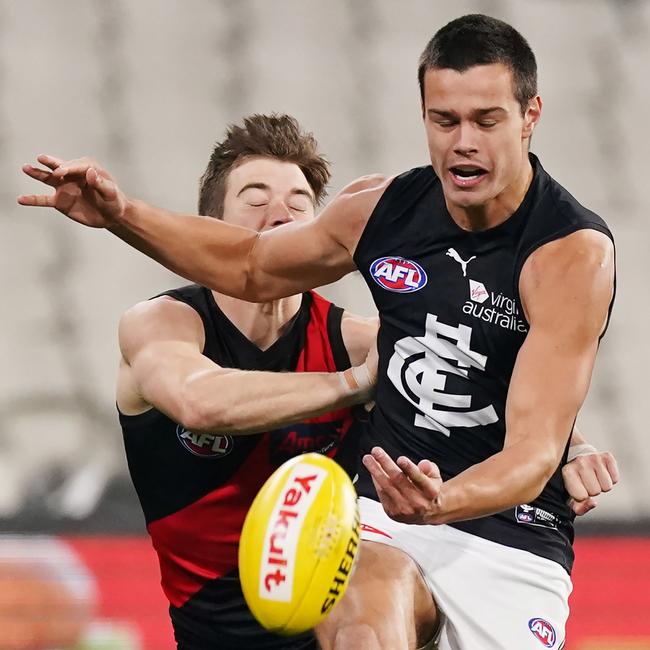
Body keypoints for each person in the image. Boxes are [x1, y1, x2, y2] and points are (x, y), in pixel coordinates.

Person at [19, 14, 621, 648]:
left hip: (510, 532)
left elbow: (525, 438)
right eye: (444, 121)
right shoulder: (377, 217)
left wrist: (567, 444)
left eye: (486, 120)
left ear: (531, 115)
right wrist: (123, 214)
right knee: (361, 609)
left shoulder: (570, 253)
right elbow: (248, 271)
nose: (462, 141)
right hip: (385, 519)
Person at [120, 114, 378, 650]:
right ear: (210, 230)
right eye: (255, 199)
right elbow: (199, 401)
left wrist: (569, 445)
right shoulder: (161, 325)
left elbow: (479, 371)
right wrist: (352, 384)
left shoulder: (355, 340)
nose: (280, 215)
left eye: (300, 203)